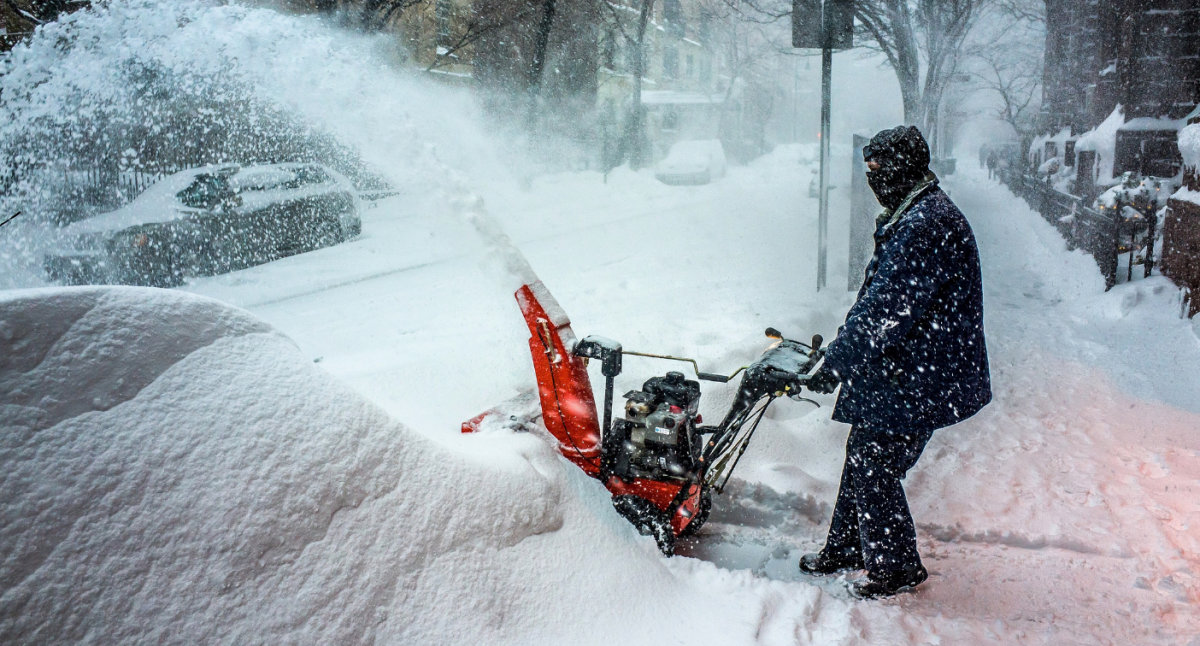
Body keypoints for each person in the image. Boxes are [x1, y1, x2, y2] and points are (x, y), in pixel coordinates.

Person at [801, 126, 992, 599]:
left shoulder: (926, 225)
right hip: (909, 366)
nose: (872, 179)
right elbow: (879, 305)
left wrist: (836, 363)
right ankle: (848, 546)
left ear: (903, 168)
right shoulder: (917, 212)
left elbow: (883, 311)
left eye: (879, 170)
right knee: (864, 449)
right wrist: (841, 355)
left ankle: (897, 568)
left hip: (923, 373)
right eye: (867, 171)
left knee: (875, 462)